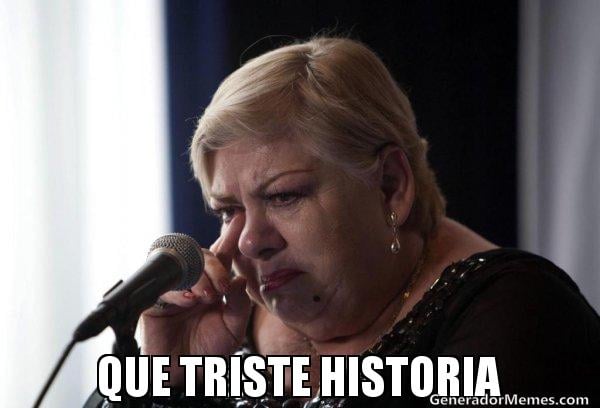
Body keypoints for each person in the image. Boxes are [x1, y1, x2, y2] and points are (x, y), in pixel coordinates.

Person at [96, 37, 600, 407]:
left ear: (390, 187)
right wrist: (164, 379)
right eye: (229, 211)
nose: (249, 242)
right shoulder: (229, 323)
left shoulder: (519, 311)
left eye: (284, 195)